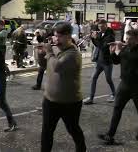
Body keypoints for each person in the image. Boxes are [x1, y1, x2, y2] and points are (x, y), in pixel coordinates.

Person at [98, 29, 138, 144]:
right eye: (126, 38)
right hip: (124, 85)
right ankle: (110, 135)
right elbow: (117, 61)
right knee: (117, 108)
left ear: (137, 39)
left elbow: (133, 59)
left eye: (129, 39)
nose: (126, 40)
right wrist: (112, 52)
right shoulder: (126, 48)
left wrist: (119, 48)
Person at [41, 23, 86, 152]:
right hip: (50, 100)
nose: (56, 39)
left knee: (73, 129)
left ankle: (82, 149)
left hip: (70, 102)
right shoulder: (57, 49)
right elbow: (46, 66)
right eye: (55, 36)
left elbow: (57, 67)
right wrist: (41, 54)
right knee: (47, 132)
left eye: (59, 36)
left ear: (68, 36)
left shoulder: (73, 54)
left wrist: (49, 52)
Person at [84, 19, 116, 104]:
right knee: (93, 78)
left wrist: (96, 38)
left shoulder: (111, 35)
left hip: (107, 62)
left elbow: (103, 47)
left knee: (108, 79)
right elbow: (97, 45)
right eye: (99, 27)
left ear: (106, 25)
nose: (100, 28)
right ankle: (91, 98)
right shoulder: (101, 33)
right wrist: (92, 38)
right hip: (99, 61)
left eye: (102, 26)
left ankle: (114, 94)